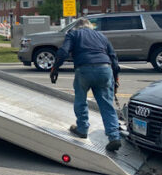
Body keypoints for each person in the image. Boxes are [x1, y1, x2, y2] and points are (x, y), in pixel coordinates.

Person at [50, 17, 122, 152]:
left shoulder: (73, 34)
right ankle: (114, 136)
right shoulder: (101, 36)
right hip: (105, 69)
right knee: (107, 105)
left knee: (80, 100)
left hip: (84, 69)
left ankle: (82, 129)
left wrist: (55, 68)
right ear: (90, 27)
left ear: (77, 27)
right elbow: (113, 57)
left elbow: (64, 52)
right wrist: (116, 77)